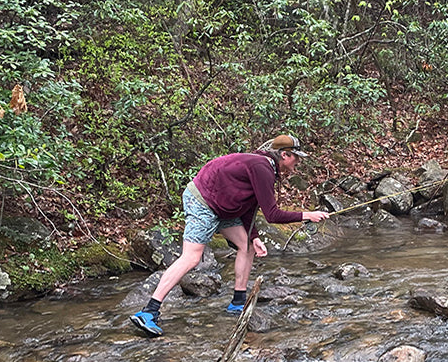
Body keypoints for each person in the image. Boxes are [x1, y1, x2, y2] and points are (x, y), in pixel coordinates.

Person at [130, 134, 329, 337]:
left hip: (223, 206)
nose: (299, 161)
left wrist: (254, 236)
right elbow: (272, 215)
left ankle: (238, 302)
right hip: (203, 201)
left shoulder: (264, 166)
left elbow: (250, 205)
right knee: (191, 257)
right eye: (297, 157)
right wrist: (308, 215)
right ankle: (149, 312)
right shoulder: (263, 168)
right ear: (285, 155)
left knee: (248, 246)